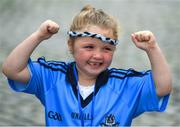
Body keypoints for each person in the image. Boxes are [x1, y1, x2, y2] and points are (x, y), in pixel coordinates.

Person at [2, 5, 172, 126]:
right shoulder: (52, 77)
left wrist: (152, 48)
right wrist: (38, 36)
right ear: (71, 46)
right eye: (89, 47)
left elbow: (162, 88)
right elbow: (12, 70)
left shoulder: (124, 85)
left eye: (107, 49)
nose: (97, 55)